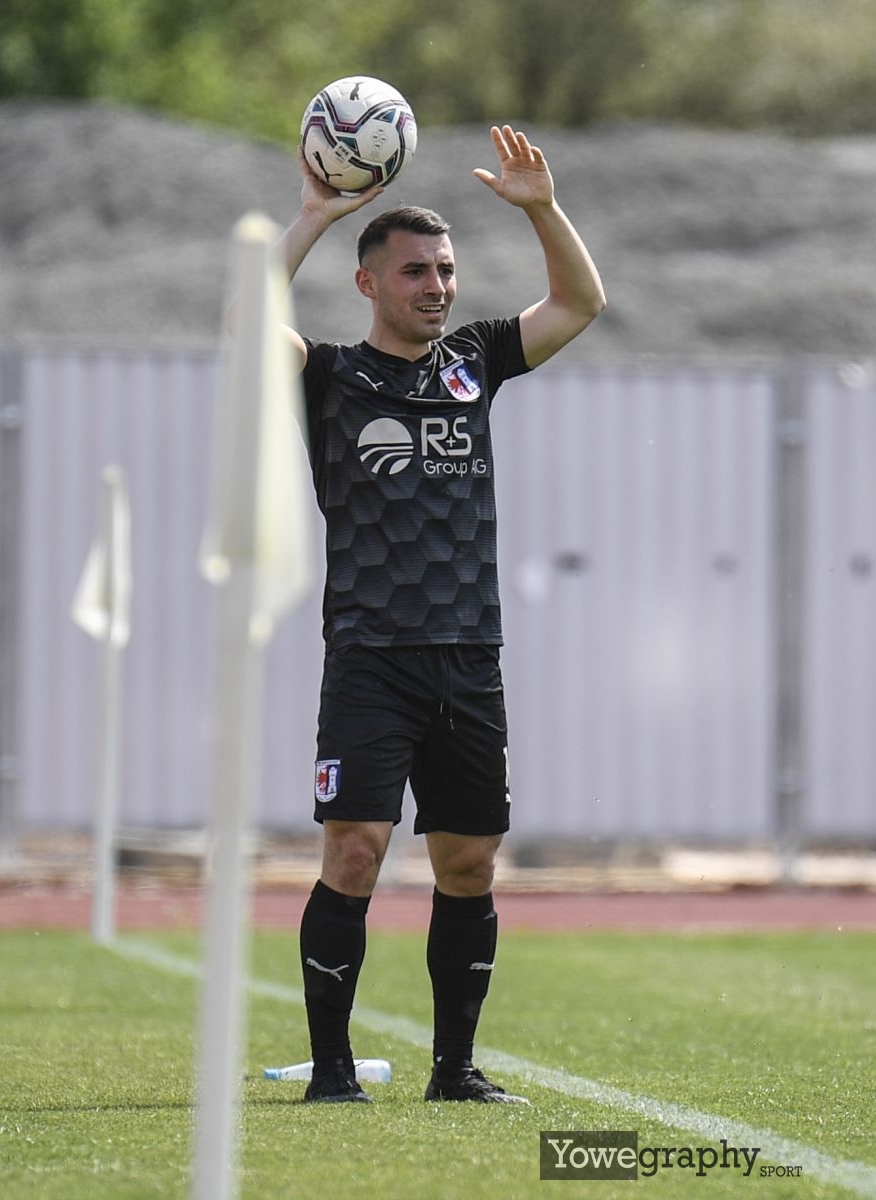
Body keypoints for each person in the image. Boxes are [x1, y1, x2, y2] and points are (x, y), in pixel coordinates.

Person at [269, 124, 605, 1104]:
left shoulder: (475, 361)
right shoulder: (330, 378)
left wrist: (543, 209)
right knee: (355, 852)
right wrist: (314, 214)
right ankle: (333, 1071)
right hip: (371, 657)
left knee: (467, 863)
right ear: (368, 283)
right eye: (416, 271)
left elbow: (582, 303)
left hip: (469, 656)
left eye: (447, 270)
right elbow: (242, 325)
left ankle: (454, 1071)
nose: (437, 287)